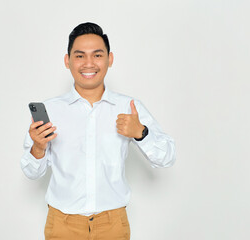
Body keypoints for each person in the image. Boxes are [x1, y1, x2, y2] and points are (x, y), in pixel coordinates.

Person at [20, 22, 176, 240]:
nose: (89, 63)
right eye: (80, 56)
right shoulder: (51, 110)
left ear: (110, 59)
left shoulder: (129, 108)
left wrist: (140, 132)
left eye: (97, 55)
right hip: (62, 225)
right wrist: (38, 147)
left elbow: (167, 157)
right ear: (68, 61)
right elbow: (31, 172)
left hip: (112, 225)